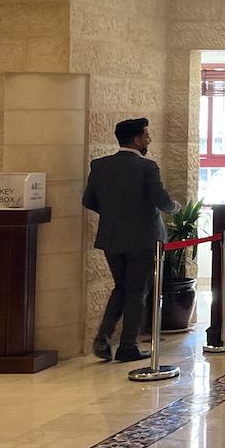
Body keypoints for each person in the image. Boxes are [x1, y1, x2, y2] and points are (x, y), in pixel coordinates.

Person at [82, 117, 178, 362]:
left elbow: (88, 200)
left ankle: (103, 337)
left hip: (112, 237)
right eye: (146, 135)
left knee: (121, 287)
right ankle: (127, 346)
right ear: (136, 140)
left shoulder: (100, 165)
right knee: (137, 292)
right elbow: (161, 199)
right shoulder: (147, 167)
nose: (149, 139)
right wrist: (175, 207)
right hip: (144, 239)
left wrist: (115, 215)